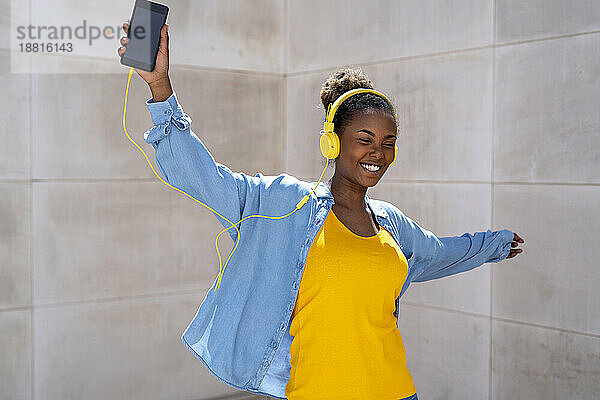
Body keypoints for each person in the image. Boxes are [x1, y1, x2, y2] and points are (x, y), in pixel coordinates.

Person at [118, 22, 524, 400]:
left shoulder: (391, 225)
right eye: (364, 138)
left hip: (397, 391)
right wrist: (160, 88)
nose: (377, 153)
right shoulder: (282, 204)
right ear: (333, 142)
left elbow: (439, 253)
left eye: (388, 141)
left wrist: (495, 244)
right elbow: (202, 177)